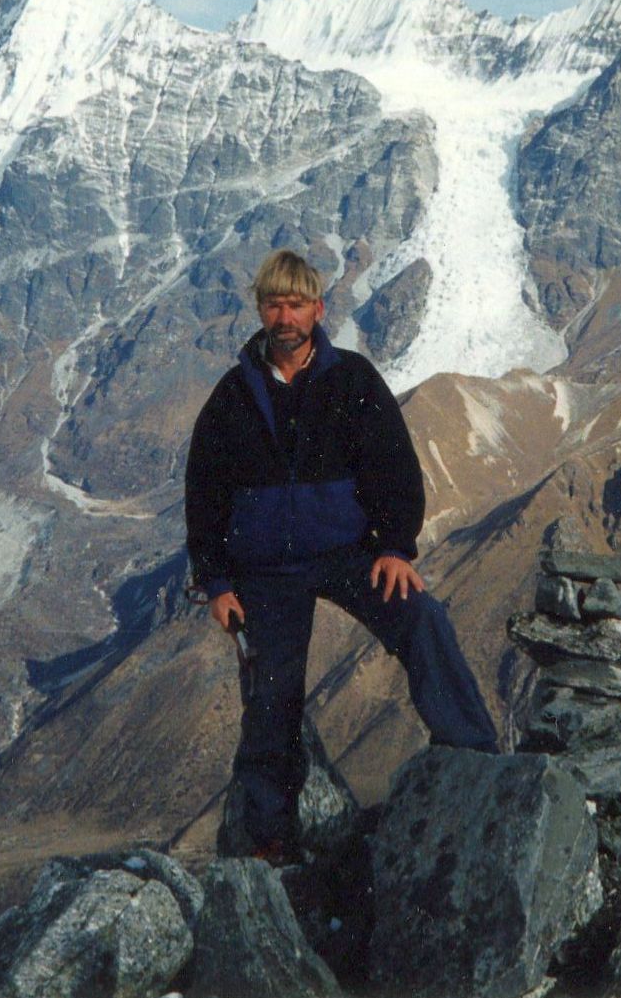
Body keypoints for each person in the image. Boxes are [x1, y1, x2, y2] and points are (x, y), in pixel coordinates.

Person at [184, 249, 499, 861]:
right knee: (271, 694)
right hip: (266, 569)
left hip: (349, 554)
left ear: (318, 310)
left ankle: (474, 757)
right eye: (274, 303)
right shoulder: (232, 395)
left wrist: (394, 549)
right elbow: (205, 492)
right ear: (260, 310)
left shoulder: (352, 380)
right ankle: (270, 837)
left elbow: (393, 470)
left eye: (296, 304)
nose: (285, 315)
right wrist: (217, 582)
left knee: (422, 618)